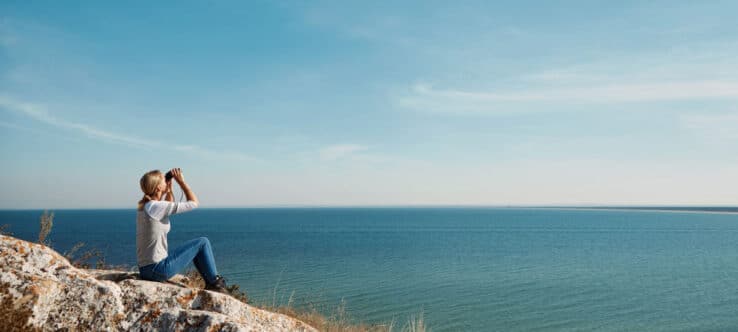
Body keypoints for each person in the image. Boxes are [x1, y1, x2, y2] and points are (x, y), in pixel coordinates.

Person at [136, 167, 228, 293]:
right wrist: (181, 182)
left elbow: (167, 206)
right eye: (164, 180)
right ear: (158, 187)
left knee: (195, 247)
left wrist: (168, 191)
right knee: (202, 242)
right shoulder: (156, 207)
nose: (166, 181)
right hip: (157, 270)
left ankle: (212, 282)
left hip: (146, 270)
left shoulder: (147, 206)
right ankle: (214, 283)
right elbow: (193, 203)